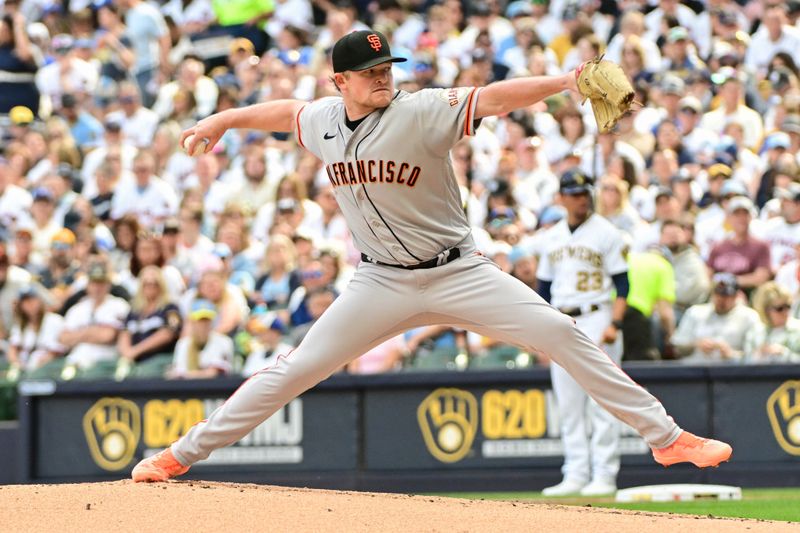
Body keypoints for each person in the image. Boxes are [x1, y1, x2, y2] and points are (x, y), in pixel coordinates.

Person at [132, 29, 732, 483]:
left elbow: (493, 98)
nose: (382, 76)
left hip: (459, 271)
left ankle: (666, 436)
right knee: (290, 370)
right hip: (379, 284)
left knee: (561, 332)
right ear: (339, 82)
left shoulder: (419, 110)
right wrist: (223, 119)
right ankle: (181, 456)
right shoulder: (321, 119)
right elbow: (285, 113)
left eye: (385, 65)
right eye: (368, 71)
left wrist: (566, 81)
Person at [535, 170, 628, 497]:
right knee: (569, 403)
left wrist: (615, 323)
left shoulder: (607, 233)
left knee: (601, 400)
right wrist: (541, 330)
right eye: (574, 193)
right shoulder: (551, 237)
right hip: (562, 320)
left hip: (596, 316)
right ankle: (575, 472)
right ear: (561, 198)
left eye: (584, 191)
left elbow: (623, 285)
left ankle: (604, 473)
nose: (581, 198)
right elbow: (543, 290)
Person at [671, 272, 761, 364]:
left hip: (732, 373)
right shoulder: (694, 312)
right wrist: (696, 345)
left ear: (735, 296)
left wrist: (731, 354)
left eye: (726, 295)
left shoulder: (749, 316)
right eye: (718, 293)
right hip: (695, 371)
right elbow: (677, 348)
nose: (721, 299)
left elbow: (756, 355)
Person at [167, 299, 234, 379]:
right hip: (187, 389)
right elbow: (176, 373)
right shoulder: (183, 343)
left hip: (215, 389)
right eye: (200, 320)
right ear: (192, 322)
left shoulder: (224, 341)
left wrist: (188, 374)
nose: (203, 325)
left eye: (207, 320)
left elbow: (215, 373)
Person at [743, 282, 800, 364]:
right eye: (779, 308)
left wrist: (783, 353)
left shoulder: (798, 329)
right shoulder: (755, 332)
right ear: (766, 310)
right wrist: (757, 355)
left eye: (788, 306)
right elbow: (745, 363)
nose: (785, 311)